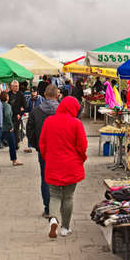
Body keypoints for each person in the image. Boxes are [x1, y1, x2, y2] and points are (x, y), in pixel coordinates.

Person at [39, 96, 87, 238]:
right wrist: (81, 158)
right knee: (68, 197)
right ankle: (65, 228)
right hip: (71, 165)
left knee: (54, 195)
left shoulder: (49, 121)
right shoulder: (76, 123)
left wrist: (48, 157)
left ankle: (53, 218)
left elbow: (43, 144)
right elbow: (82, 146)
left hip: (53, 164)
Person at [26, 84, 59, 219]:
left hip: (44, 150)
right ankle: (58, 206)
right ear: (57, 95)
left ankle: (48, 207)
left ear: (44, 95)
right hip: (60, 150)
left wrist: (37, 145)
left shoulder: (36, 111)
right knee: (59, 177)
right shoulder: (62, 111)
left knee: (45, 178)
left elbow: (30, 131)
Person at [0, 91, 23, 166]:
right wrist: (11, 125)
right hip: (7, 128)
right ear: (6, 97)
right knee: (12, 144)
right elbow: (7, 115)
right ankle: (14, 160)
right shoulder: (7, 106)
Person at [24, 86, 45, 153]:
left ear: (37, 92)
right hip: (31, 117)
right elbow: (27, 108)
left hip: (39, 118)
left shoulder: (41, 99)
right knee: (30, 131)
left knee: (39, 132)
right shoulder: (29, 99)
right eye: (32, 92)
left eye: (34, 92)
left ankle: (40, 145)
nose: (33, 93)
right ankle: (29, 147)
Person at [8, 80, 28, 150]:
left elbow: (25, 106)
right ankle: (10, 143)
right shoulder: (8, 94)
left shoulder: (21, 94)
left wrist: (20, 113)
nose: (17, 87)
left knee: (16, 130)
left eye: (18, 86)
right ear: (12, 87)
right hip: (9, 115)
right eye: (16, 86)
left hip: (17, 115)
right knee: (10, 130)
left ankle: (16, 144)